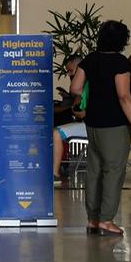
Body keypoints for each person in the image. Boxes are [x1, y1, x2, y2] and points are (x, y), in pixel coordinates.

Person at [70, 20, 131, 236]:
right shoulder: (120, 63)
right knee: (113, 171)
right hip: (115, 125)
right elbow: (124, 96)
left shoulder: (90, 59)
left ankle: (93, 219)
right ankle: (106, 220)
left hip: (93, 123)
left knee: (94, 170)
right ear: (122, 41)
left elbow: (75, 87)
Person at [53, 55, 86, 183]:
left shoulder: (85, 85)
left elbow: (81, 112)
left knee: (57, 132)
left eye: (71, 71)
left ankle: (55, 174)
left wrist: (74, 108)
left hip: (89, 126)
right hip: (89, 124)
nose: (69, 74)